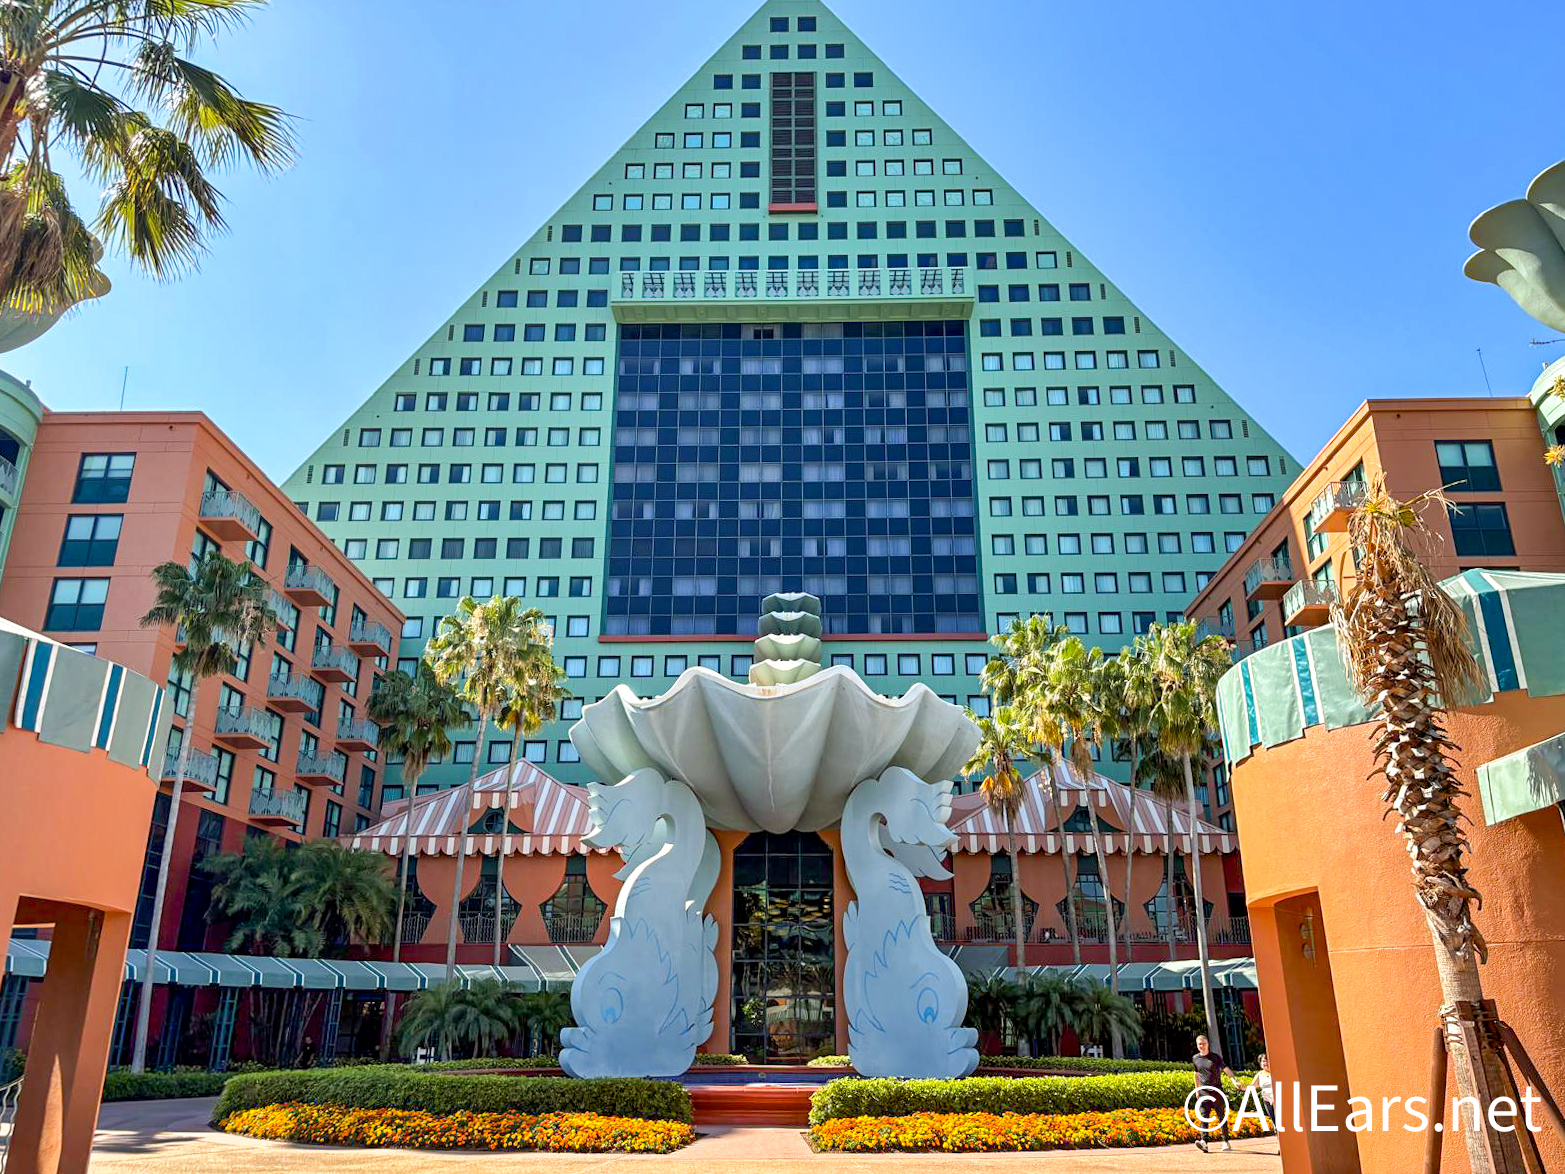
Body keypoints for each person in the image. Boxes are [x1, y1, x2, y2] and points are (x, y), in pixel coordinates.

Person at [1192, 1034, 1238, 1153]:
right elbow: (1196, 1075)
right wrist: (1197, 1090)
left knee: (1221, 1116)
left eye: (1204, 1043)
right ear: (1197, 1046)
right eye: (1199, 1044)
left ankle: (1226, 1141)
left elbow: (1226, 1069)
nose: (1202, 1046)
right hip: (1203, 1093)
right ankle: (1204, 1142)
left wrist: (1233, 1080)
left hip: (1217, 1092)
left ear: (1208, 1044)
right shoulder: (1195, 1058)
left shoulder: (1215, 1057)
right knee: (1204, 1117)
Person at [1248, 1053, 1276, 1130]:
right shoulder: (1260, 1074)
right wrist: (1241, 1086)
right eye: (1263, 1061)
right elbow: (1252, 1086)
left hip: (1278, 1099)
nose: (1265, 1063)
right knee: (1274, 1120)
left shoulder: (1276, 1072)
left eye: (1267, 1061)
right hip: (1267, 1100)